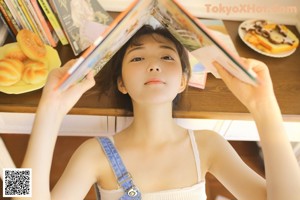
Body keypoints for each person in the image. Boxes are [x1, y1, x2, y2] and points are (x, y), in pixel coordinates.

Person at [14, 25, 300, 200]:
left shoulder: (208, 145)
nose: (154, 65)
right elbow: (19, 195)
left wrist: (264, 107)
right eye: (138, 57)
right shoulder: (93, 154)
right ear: (121, 82)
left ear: (183, 80)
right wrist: (49, 111)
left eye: (166, 56)